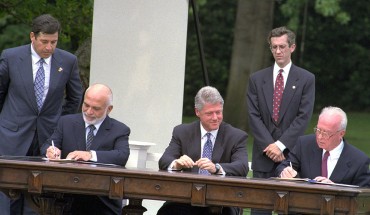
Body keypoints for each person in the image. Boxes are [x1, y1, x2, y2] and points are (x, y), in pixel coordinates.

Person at [0, 14, 83, 214]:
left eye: (53, 42)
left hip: (48, 138)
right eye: (44, 42)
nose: (49, 47)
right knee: (7, 194)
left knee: (38, 196)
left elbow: (74, 98)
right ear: (32, 37)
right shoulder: (11, 57)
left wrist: (58, 125)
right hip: (12, 136)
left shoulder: (68, 61)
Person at [247, 26, 315, 214]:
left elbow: (304, 117)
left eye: (282, 47)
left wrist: (281, 145)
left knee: (293, 209)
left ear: (292, 47)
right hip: (263, 155)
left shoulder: (306, 79)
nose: (278, 51)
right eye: (274, 47)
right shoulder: (256, 79)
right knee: (259, 210)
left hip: (292, 156)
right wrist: (270, 146)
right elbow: (253, 116)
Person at [41, 83, 130, 215]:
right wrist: (50, 151)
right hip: (65, 199)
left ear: (109, 109)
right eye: (86, 105)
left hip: (102, 202)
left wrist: (91, 155)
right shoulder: (66, 122)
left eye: (96, 108)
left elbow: (122, 155)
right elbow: (47, 145)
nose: (89, 112)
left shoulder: (119, 129)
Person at [157, 86, 249, 215]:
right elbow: (164, 161)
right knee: (167, 212)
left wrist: (216, 168)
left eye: (218, 112)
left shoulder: (236, 136)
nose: (215, 117)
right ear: (197, 112)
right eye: (209, 113)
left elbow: (242, 166)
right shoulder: (182, 132)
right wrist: (176, 163)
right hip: (185, 198)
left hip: (222, 200)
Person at [275, 106, 370, 187]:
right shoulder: (304, 144)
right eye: (318, 130)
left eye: (326, 133)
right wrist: (284, 171)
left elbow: (364, 195)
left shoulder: (359, 160)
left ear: (341, 133)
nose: (320, 137)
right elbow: (283, 166)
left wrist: (335, 188)